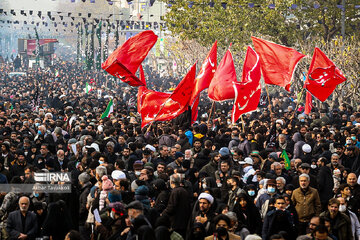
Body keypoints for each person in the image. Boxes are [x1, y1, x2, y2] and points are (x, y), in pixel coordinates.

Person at [162, 173, 191, 239]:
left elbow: (171, 207)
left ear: (171, 182)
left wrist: (163, 214)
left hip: (176, 222)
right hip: (184, 221)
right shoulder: (184, 190)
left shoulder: (175, 192)